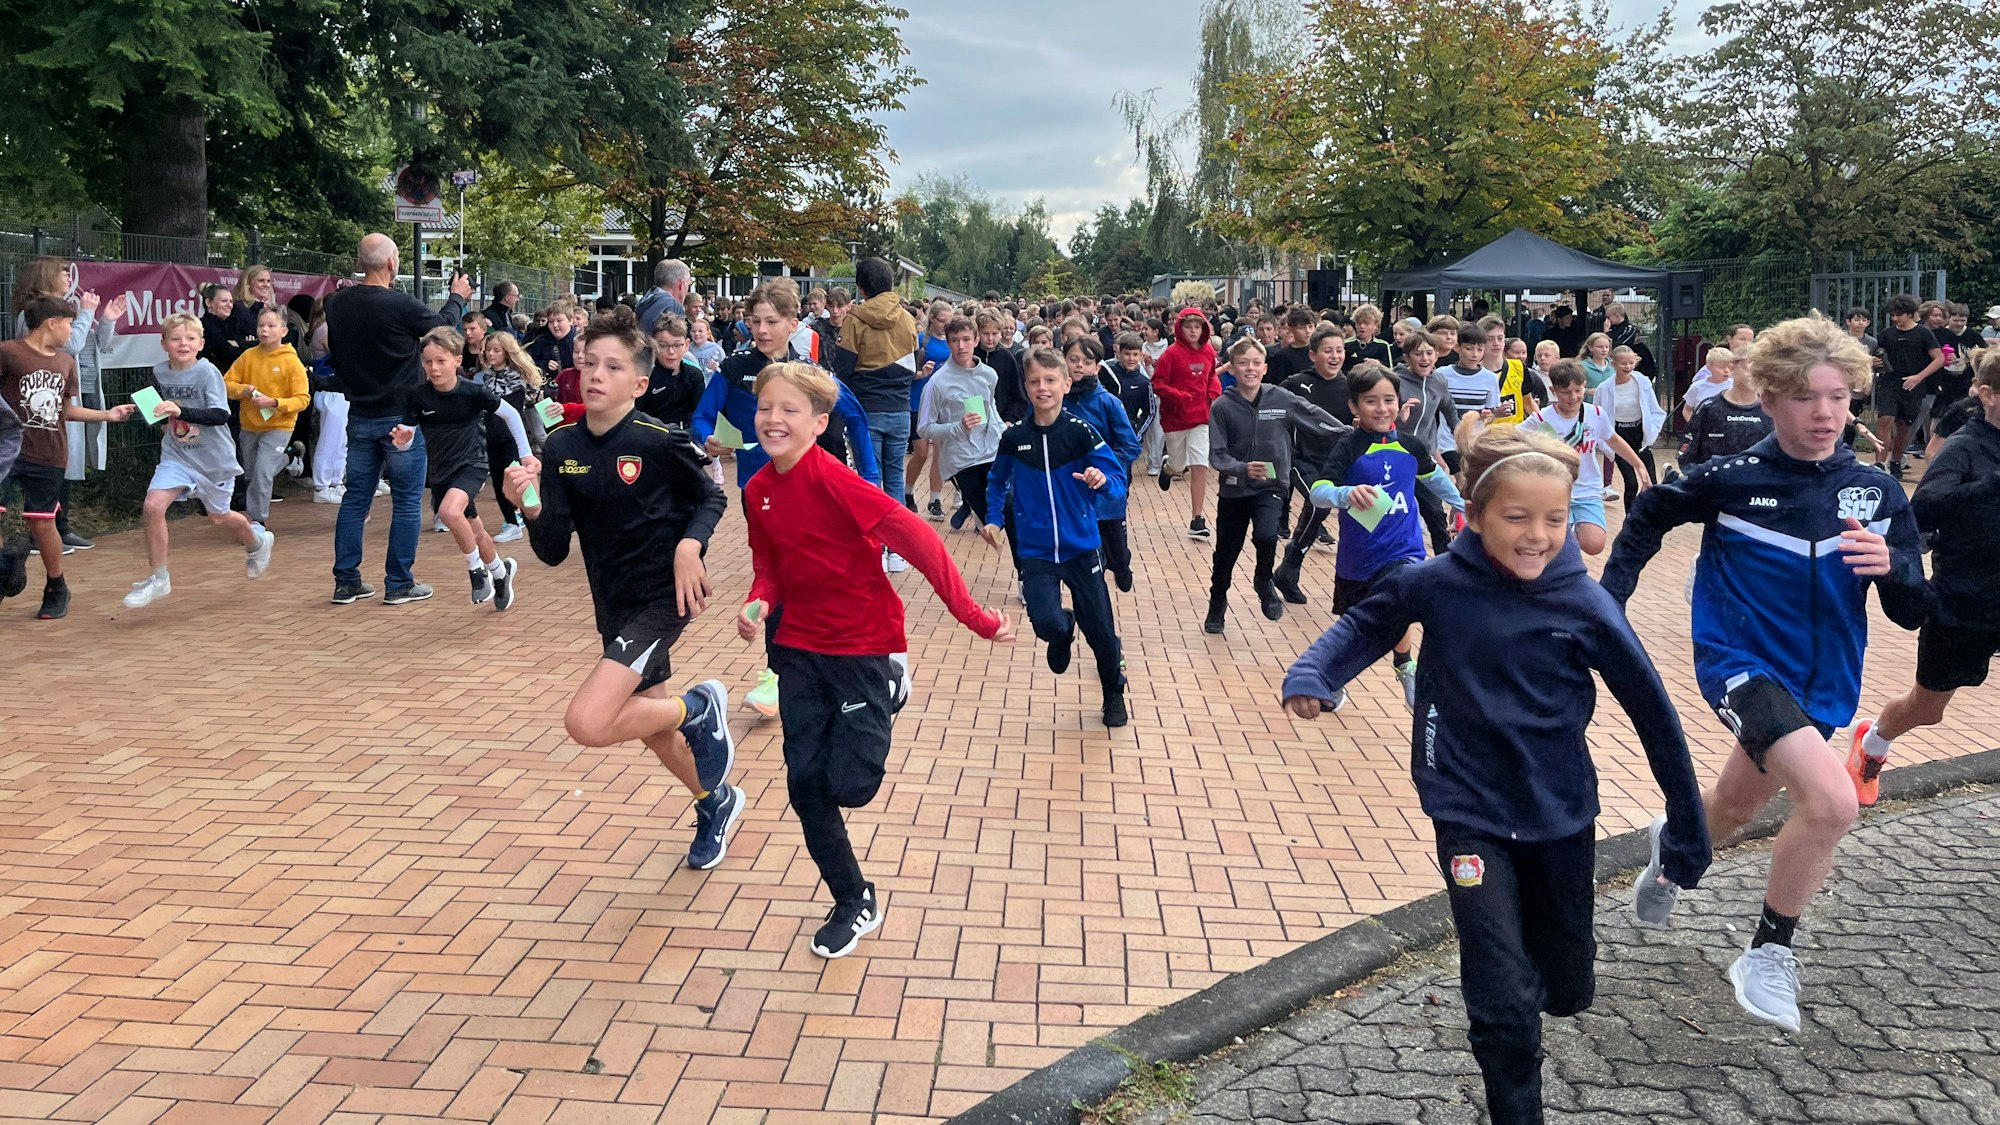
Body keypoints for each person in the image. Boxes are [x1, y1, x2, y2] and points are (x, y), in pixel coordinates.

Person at [1283, 419, 1709, 1125]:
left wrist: (1689, 829)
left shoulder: (1585, 604)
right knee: (1504, 998)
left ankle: (1541, 981)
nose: (1538, 534)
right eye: (1516, 517)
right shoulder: (1437, 583)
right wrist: (1313, 673)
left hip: (1560, 809)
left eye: (1554, 517)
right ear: (1473, 516)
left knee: (1566, 983)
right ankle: (1517, 1097)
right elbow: (1365, 623)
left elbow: (1656, 717)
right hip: (1467, 806)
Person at [1602, 314, 1929, 1035]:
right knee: (1834, 801)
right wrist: (1609, 604)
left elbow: (1911, 612)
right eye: (1808, 397)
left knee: (1734, 807)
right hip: (1740, 663)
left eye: (1840, 397)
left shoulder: (1878, 494)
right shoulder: (1731, 478)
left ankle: (1675, 848)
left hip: (1827, 681)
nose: (1826, 414)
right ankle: (1768, 952)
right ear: (1772, 399)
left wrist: (1897, 569)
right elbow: (1648, 514)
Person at [739, 360, 1012, 956]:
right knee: (805, 784)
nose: (773, 419)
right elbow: (770, 566)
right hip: (798, 650)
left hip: (864, 645)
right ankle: (853, 897)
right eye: (766, 407)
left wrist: (975, 617)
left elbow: (923, 540)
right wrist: (758, 603)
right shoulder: (758, 491)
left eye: (790, 409)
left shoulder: (837, 482)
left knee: (851, 785)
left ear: (818, 422)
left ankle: (891, 686)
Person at [502, 308, 741, 871]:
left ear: (638, 382)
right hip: (612, 603)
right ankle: (716, 801)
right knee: (649, 723)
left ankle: (699, 707)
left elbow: (712, 496)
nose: (596, 375)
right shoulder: (561, 449)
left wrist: (690, 548)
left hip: (666, 597)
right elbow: (553, 550)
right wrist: (528, 503)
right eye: (589, 364)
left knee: (587, 722)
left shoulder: (658, 440)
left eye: (612, 367)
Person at [1849, 350, 2000, 806]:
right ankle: (1871, 744)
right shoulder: (1966, 447)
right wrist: (1990, 487)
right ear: (1988, 394)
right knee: (1928, 709)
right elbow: (1924, 509)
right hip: (1965, 600)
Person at [1291, 363, 1464, 708]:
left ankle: (1407, 667)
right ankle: (1336, 678)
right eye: (1371, 401)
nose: (1382, 408)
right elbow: (1318, 492)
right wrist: (1344, 494)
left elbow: (1435, 479)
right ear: (1354, 406)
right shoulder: (1348, 446)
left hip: (1404, 550)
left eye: (1389, 400)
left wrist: (1465, 504)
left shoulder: (1412, 447)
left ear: (1399, 403)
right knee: (1355, 625)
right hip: (1358, 557)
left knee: (1399, 598)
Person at [983, 348, 1130, 726]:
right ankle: (1063, 632)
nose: (1042, 388)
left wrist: (1101, 481)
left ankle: (1114, 692)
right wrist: (994, 519)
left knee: (1101, 632)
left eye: (1050, 380)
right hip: (1036, 551)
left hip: (1081, 547)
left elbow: (1116, 481)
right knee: (1046, 622)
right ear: (1026, 387)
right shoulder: (1014, 437)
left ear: (1067, 383)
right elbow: (997, 480)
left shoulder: (1081, 433)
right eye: (1034, 381)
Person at [322, 233, 472, 606]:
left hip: (359, 412)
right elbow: (443, 329)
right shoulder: (400, 304)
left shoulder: (337, 304)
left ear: (360, 263)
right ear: (392, 263)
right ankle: (399, 582)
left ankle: (346, 581)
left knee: (356, 499)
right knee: (406, 500)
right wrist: (458, 298)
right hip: (402, 416)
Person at [121, 314, 275, 609]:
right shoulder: (158, 372)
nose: (183, 344)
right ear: (164, 343)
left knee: (219, 517)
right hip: (177, 456)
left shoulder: (208, 373)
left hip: (213, 460)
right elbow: (158, 411)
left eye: (190, 339)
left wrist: (180, 409)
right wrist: (150, 413)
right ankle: (159, 578)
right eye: (176, 338)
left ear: (201, 344)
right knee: (153, 506)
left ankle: (257, 542)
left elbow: (221, 415)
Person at [0, 296, 137, 618]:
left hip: (48, 453)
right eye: (71, 325)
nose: (73, 332)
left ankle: (56, 585)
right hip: (7, 451)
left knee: (42, 522)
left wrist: (108, 414)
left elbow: (67, 411)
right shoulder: (7, 353)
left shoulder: (65, 362)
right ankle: (6, 565)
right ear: (53, 323)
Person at [1206, 337, 1348, 630]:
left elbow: (1314, 417)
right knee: (1225, 554)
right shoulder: (1222, 406)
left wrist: (1350, 432)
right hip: (1234, 489)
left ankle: (1263, 582)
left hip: (1271, 486)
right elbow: (1217, 455)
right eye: (1243, 363)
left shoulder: (1280, 398)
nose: (1250, 368)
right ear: (1232, 368)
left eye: (1256, 363)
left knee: (1268, 535)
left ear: (1265, 367)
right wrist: (1243, 468)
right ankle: (1217, 603)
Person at [396, 327, 530, 610]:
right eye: (428, 361)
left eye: (441, 361)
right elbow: (405, 440)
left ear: (457, 360)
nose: (433, 368)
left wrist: (526, 455)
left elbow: (512, 415)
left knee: (448, 512)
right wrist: (403, 442)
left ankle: (476, 572)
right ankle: (500, 572)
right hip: (441, 470)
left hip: (473, 464)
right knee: (475, 529)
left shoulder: (474, 392)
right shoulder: (417, 396)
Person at [11, 256, 125, 552]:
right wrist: (87, 312)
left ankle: (60, 527)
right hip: (43, 400)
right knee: (50, 460)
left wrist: (108, 319)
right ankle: (44, 532)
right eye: (63, 272)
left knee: (66, 459)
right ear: (47, 276)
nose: (68, 276)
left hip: (74, 388)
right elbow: (70, 345)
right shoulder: (33, 314)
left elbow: (92, 345)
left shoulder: (65, 311)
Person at [1522, 360, 1649, 556]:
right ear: (1553, 390)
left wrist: (1639, 465)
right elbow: (1514, 438)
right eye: (1565, 392)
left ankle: (1569, 538)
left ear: (1584, 387)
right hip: (1553, 491)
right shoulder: (1541, 419)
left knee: (1594, 544)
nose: (1572, 397)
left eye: (1577, 390)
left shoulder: (1596, 414)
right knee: (1556, 546)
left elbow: (1613, 440)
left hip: (1588, 489)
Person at [841, 259, 919, 522]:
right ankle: (897, 545)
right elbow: (913, 363)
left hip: (866, 409)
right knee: (895, 476)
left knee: (870, 477)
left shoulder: (854, 320)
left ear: (861, 288)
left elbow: (843, 370)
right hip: (900, 408)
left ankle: (876, 541)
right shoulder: (908, 319)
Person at [1061, 337, 1142, 590]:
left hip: (1106, 493)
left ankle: (1120, 564)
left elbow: (1130, 446)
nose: (1079, 366)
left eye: (1087, 362)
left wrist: (1103, 468)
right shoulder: (1056, 400)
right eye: (1073, 360)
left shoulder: (1108, 403)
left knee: (1115, 550)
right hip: (1071, 492)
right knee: (1087, 558)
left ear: (1097, 367)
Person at [222, 307, 311, 530]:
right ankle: (290, 458)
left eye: (271, 326)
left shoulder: (292, 362)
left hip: (280, 425)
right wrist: (242, 390)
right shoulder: (248, 356)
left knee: (262, 472)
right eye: (261, 325)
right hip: (250, 425)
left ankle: (257, 520)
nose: (265, 330)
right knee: (252, 473)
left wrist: (275, 403)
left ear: (283, 330)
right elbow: (225, 384)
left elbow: (302, 399)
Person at [917, 316, 1001, 537]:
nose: (961, 346)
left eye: (966, 339)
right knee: (987, 520)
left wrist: (1004, 433)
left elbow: (991, 408)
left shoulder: (989, 375)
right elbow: (924, 428)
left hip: (991, 451)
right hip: (961, 459)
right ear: (948, 343)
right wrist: (957, 427)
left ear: (976, 340)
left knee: (1005, 514)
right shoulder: (937, 383)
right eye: (955, 340)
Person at [1152, 307, 1224, 540]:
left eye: (1198, 326)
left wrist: (1214, 392)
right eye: (1188, 326)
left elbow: (1212, 376)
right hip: (1175, 419)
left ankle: (1197, 518)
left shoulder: (1208, 352)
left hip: (1201, 418)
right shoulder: (1171, 354)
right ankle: (1168, 468)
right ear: (1180, 328)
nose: (1193, 331)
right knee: (1178, 463)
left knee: (1199, 464)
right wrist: (1178, 396)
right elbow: (1158, 383)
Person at [1871, 294, 1945, 481]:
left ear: (1911, 314)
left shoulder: (1924, 334)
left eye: (1899, 315)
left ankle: (1895, 461)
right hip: (1889, 383)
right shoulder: (1886, 335)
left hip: (1913, 386)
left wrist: (1919, 377)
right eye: (1893, 315)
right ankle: (1879, 463)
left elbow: (1939, 359)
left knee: (1905, 426)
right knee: (1885, 419)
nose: (1895, 319)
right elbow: (1879, 358)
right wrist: (1876, 362)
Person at [1592, 345, 1667, 509]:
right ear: (1614, 364)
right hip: (1618, 435)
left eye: (1631, 363)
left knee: (1651, 481)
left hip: (1639, 433)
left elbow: (1654, 409)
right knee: (1631, 482)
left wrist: (1652, 431)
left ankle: (1651, 517)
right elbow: (1597, 414)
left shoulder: (1642, 382)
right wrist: (1603, 442)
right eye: (1623, 363)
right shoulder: (1604, 388)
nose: (1627, 367)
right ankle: (1630, 521)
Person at [1678, 365, 1771, 469]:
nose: (1753, 375)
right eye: (1748, 369)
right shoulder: (1709, 408)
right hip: (1713, 482)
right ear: (1733, 368)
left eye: (1759, 370)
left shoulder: (1771, 411)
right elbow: (1687, 457)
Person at [1437, 324, 1500, 475]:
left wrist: (1489, 415)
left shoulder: (1490, 378)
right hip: (1448, 442)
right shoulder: (1442, 375)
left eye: (1480, 349)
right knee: (1461, 480)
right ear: (1457, 347)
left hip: (1476, 442)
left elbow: (1491, 413)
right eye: (1469, 348)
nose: (1475, 354)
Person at [639, 313, 707, 430]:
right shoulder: (646, 376)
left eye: (677, 345)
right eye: (663, 346)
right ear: (655, 345)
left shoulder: (694, 375)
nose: (671, 351)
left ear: (686, 345)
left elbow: (700, 414)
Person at [1680, 347, 1737, 428]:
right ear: (1709, 366)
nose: (1727, 370)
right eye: (1721, 367)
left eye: (1730, 367)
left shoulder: (1735, 385)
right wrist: (1694, 426)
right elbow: (1686, 410)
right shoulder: (1697, 387)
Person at [635, 258, 692, 335]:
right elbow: (674, 341)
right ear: (682, 284)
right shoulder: (674, 306)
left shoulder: (647, 300)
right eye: (688, 284)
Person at [1344, 304, 1392, 373]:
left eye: (1366, 323)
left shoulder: (1383, 345)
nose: (1362, 326)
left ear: (1375, 325)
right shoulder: (1346, 344)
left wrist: (1379, 365)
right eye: (1358, 323)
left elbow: (1390, 371)